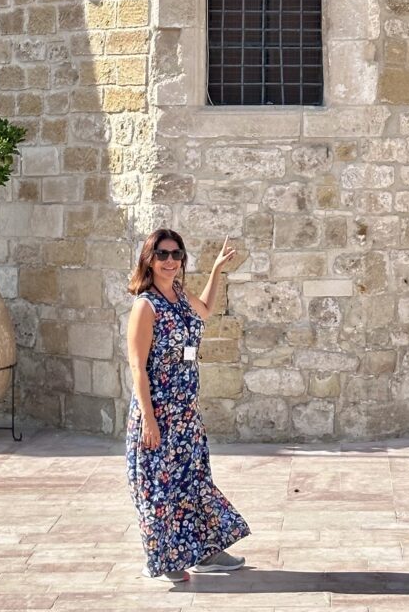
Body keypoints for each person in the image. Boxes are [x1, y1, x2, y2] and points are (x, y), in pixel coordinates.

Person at [125, 228, 250, 581]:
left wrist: (215, 272)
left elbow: (206, 310)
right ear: (149, 258)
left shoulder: (179, 295)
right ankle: (169, 559)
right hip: (159, 414)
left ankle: (206, 552)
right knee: (160, 490)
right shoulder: (145, 305)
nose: (169, 261)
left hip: (185, 414)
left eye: (176, 255)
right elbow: (137, 366)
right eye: (162, 254)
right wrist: (149, 420)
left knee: (194, 483)